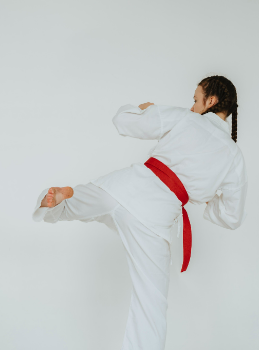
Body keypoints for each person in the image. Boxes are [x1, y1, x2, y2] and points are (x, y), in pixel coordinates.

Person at [32, 76, 248, 350]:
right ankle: (68, 200)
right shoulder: (233, 156)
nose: (192, 105)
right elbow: (232, 216)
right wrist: (207, 200)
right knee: (151, 304)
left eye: (195, 100)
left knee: (85, 201)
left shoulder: (185, 118)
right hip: (156, 219)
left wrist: (144, 110)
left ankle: (61, 201)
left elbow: (124, 121)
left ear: (211, 101)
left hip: (127, 186)